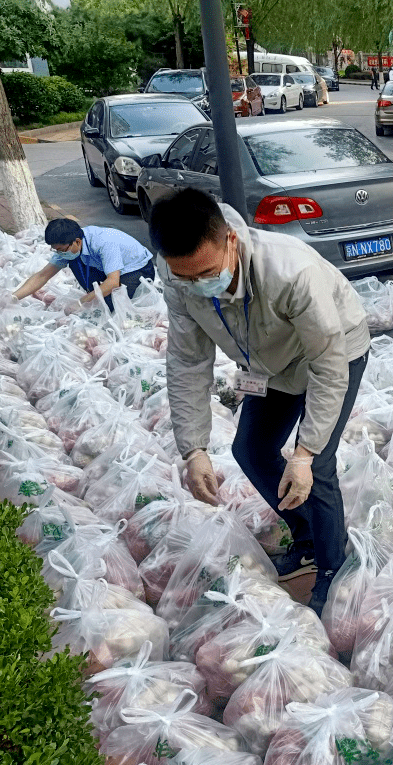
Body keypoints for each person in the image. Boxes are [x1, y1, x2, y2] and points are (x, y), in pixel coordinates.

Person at [147, 187, 370, 614]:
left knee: (317, 466)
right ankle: (307, 536)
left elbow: (327, 364)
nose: (197, 285)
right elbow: (187, 361)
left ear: (231, 239)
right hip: (266, 361)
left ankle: (333, 570)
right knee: (250, 448)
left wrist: (303, 455)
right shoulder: (177, 276)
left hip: (334, 349)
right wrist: (193, 449)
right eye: (186, 278)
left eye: (207, 273)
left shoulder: (290, 271)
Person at [12, 218, 155, 312]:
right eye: (56, 250)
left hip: (137, 269)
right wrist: (13, 297)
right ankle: (94, 296)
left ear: (77, 242)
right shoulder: (69, 246)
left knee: (108, 305)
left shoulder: (104, 243)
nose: (59, 253)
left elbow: (113, 282)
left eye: (61, 250)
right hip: (104, 268)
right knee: (76, 265)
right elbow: (42, 275)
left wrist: (81, 302)